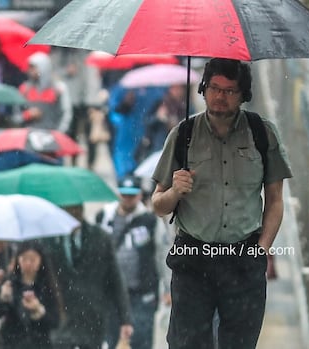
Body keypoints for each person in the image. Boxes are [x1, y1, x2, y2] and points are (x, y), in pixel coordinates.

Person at [151, 58, 293, 349]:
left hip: (243, 258)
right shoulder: (182, 135)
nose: (220, 96)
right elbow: (157, 204)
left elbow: (276, 200)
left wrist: (261, 250)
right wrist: (175, 192)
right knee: (187, 343)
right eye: (214, 88)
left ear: (244, 95)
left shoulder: (262, 134)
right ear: (203, 89)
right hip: (192, 258)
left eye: (230, 90)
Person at [95, 176, 171, 349]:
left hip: (142, 292)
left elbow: (162, 254)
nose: (127, 198)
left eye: (132, 195)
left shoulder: (150, 221)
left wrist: (168, 288)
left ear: (139, 196)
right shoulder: (104, 218)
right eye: (124, 194)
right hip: (110, 291)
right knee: (111, 339)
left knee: (141, 339)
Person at [43, 204, 133, 349]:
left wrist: (125, 319)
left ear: (81, 210)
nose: (72, 213)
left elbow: (116, 279)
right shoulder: (50, 240)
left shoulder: (100, 238)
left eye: (76, 209)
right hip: (61, 318)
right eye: (68, 210)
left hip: (92, 318)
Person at [0, 241, 63, 349]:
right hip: (12, 343)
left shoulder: (46, 286)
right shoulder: (10, 283)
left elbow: (55, 321)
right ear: (18, 259)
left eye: (33, 259)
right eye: (24, 259)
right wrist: (4, 298)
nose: (28, 263)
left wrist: (39, 310)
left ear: (40, 261)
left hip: (39, 344)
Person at [18, 51, 73, 133]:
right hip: (29, 134)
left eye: (34, 67)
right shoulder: (24, 89)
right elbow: (15, 116)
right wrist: (28, 115)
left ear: (43, 67)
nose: (30, 71)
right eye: (30, 67)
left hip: (52, 135)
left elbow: (66, 113)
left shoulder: (59, 88)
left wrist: (60, 132)